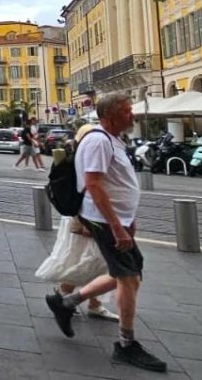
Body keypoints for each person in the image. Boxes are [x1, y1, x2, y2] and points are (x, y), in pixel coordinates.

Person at [45, 92, 167, 373]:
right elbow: (95, 185)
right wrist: (116, 225)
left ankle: (66, 302)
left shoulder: (112, 140)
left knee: (129, 273)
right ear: (110, 115)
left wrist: (128, 218)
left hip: (113, 219)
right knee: (128, 276)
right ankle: (125, 344)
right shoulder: (99, 141)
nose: (131, 115)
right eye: (126, 111)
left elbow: (115, 182)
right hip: (103, 219)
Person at [35, 124, 119, 322]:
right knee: (94, 260)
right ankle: (66, 297)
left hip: (83, 216)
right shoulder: (83, 160)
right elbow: (89, 188)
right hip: (87, 217)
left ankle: (86, 301)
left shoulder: (73, 158)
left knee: (90, 259)